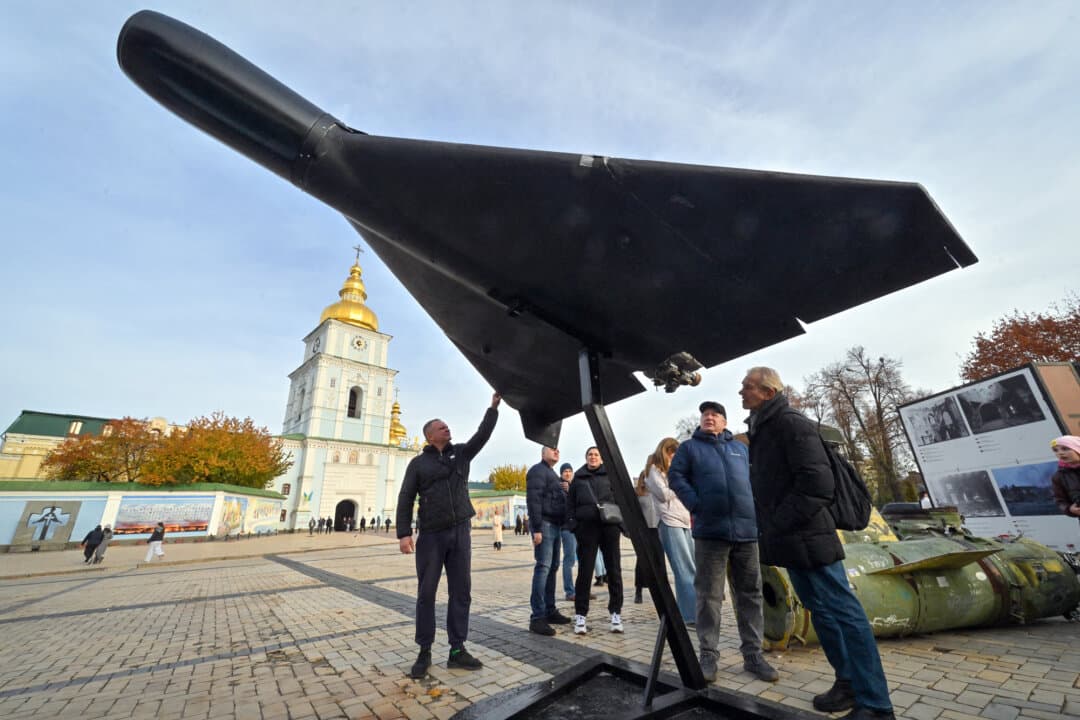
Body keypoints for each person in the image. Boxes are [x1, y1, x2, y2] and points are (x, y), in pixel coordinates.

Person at [740, 367, 894, 720]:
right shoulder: (764, 427)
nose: (741, 392)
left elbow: (817, 483)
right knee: (821, 611)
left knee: (844, 612)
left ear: (767, 391)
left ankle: (876, 704)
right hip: (792, 539)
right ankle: (848, 683)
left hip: (810, 535)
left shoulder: (791, 424)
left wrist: (778, 522)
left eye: (746, 386)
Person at [668, 401, 777, 684]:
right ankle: (708, 655)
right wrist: (695, 504)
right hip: (710, 532)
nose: (709, 416)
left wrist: (758, 513)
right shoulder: (689, 448)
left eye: (715, 414)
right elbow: (675, 476)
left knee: (750, 595)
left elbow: (757, 481)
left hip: (746, 532)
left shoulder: (741, 449)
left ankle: (753, 655)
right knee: (709, 596)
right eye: (704, 413)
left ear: (725, 422)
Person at [397, 393, 500, 679]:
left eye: (447, 426)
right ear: (430, 436)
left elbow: (483, 435)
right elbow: (406, 497)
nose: (447, 429)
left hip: (460, 532)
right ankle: (424, 650)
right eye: (441, 427)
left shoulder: (462, 453)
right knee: (426, 594)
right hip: (431, 534)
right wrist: (404, 533)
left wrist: (492, 408)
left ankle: (457, 650)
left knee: (461, 591)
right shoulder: (418, 464)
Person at [566, 446, 624, 634]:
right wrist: (574, 525)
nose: (593, 457)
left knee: (614, 570)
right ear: (586, 458)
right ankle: (581, 615)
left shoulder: (610, 475)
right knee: (585, 571)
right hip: (587, 529)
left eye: (596, 454)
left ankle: (616, 613)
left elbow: (622, 500)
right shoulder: (579, 478)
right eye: (590, 454)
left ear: (601, 458)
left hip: (609, 527)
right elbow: (570, 504)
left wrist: (622, 526)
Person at [644, 437, 696, 624]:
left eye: (676, 452)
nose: (674, 456)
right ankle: (690, 616)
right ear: (663, 453)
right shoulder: (653, 471)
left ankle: (689, 611)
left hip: (685, 520)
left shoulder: (677, 473)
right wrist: (681, 486)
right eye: (670, 452)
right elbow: (664, 494)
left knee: (692, 568)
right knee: (683, 570)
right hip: (669, 521)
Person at [526, 446, 572, 635]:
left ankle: (549, 610)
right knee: (543, 567)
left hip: (555, 524)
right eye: (552, 449)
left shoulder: (552, 473)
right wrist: (536, 528)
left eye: (558, 450)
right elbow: (533, 500)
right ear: (543, 453)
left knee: (552, 568)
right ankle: (537, 617)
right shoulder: (538, 471)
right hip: (544, 525)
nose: (557, 452)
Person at [633, 468, 663, 605]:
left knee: (659, 560)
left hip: (657, 530)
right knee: (642, 562)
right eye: (644, 477)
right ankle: (638, 590)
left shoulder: (657, 493)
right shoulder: (638, 493)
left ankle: (662, 589)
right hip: (644, 531)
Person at [558, 462, 578, 601]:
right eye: (565, 471)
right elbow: (563, 508)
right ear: (561, 474)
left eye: (570, 471)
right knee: (569, 560)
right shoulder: (558, 488)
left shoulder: (574, 486)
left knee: (584, 560)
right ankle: (569, 591)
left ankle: (582, 589)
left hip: (579, 528)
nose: (567, 473)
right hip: (567, 528)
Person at [1051, 435, 1080, 524]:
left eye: (1065, 448)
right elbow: (1060, 501)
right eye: (1056, 450)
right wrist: (1070, 509)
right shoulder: (1058, 477)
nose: (1060, 453)